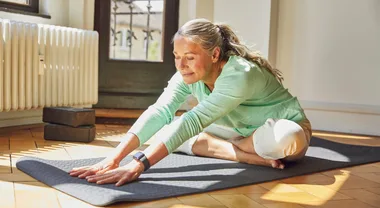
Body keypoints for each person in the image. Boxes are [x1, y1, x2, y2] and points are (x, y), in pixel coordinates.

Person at [69, 18, 312, 187]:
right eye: (176, 57)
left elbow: (193, 120)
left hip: (278, 130)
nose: (181, 65)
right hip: (235, 131)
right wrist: (114, 157)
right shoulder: (188, 74)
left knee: (287, 138)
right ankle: (247, 154)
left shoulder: (240, 73)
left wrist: (138, 165)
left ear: (215, 54)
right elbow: (161, 110)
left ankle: (241, 148)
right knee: (166, 127)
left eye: (189, 57)